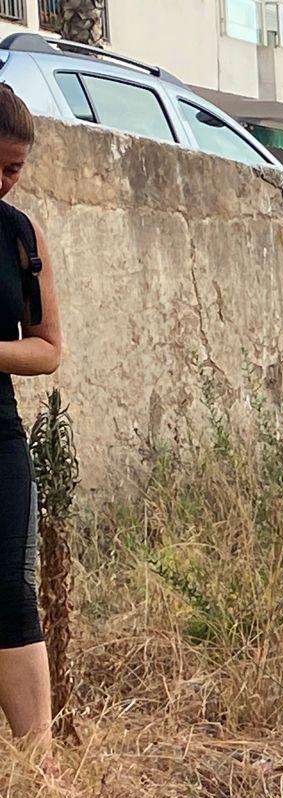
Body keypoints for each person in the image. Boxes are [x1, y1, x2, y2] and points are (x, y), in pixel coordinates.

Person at [0, 84, 62, 742]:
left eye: (13, 169)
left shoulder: (21, 236)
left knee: (10, 593)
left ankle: (37, 768)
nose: (2, 181)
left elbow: (47, 350)